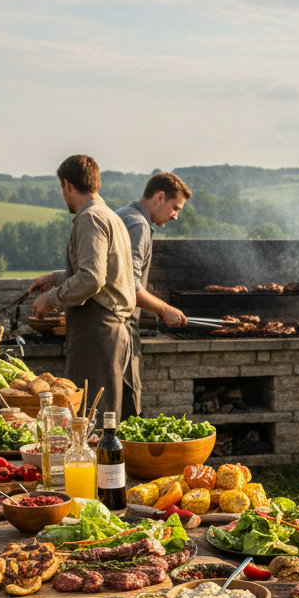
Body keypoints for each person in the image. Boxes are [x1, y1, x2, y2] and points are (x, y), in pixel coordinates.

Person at [29, 154, 136, 421]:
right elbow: (103, 272)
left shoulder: (90, 218)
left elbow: (92, 278)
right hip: (108, 330)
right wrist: (56, 277)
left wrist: (51, 299)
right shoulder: (109, 215)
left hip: (97, 332)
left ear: (67, 185)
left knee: (93, 420)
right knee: (103, 416)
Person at [116, 172, 193, 417]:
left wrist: (55, 277)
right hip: (120, 329)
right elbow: (129, 285)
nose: (175, 216)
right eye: (175, 207)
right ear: (160, 196)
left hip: (106, 330)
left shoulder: (122, 215)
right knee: (128, 408)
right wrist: (164, 309)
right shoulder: (138, 225)